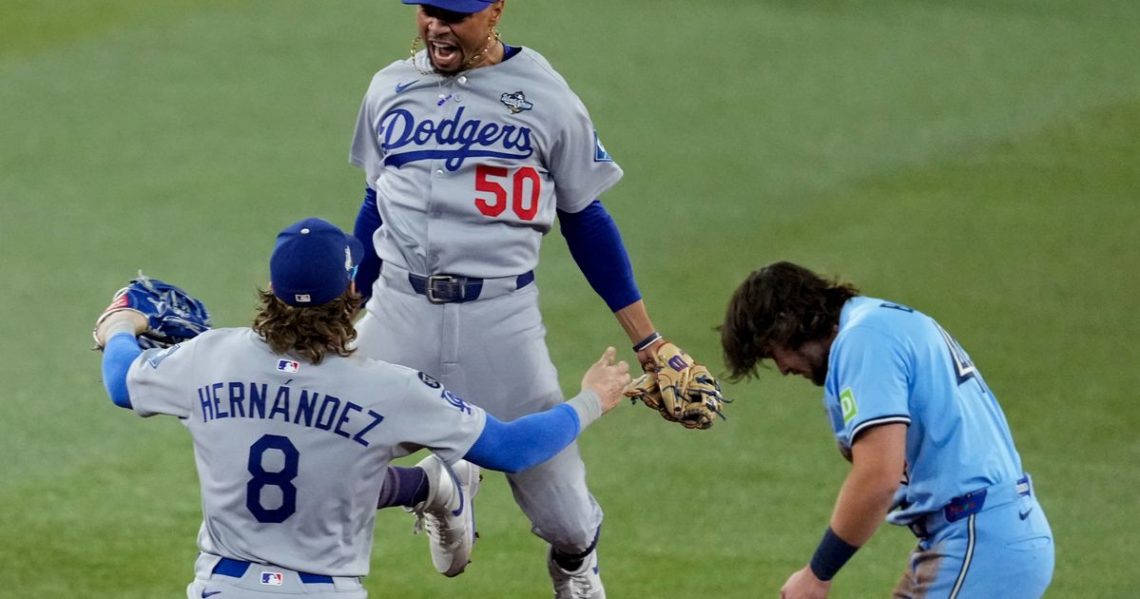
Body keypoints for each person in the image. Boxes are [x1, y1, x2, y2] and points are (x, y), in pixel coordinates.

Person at [345, 1, 714, 596]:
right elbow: (374, 207)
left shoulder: (545, 96)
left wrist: (648, 339)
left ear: (495, 12)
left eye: (455, 14)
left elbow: (586, 218)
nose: (437, 25)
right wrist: (338, 314)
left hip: (501, 322)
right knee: (321, 451)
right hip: (397, 312)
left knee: (566, 519)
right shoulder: (388, 88)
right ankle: (439, 487)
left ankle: (575, 566)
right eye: (428, 10)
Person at [92, 217, 630, 599]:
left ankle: (429, 488)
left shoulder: (209, 357)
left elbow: (121, 380)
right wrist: (592, 399)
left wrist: (119, 322)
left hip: (220, 585)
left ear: (271, 290)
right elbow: (512, 450)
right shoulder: (391, 389)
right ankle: (430, 487)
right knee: (337, 457)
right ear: (352, 288)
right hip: (327, 590)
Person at [720, 261, 1054, 599]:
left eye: (771, 352)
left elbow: (879, 476)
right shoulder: (879, 322)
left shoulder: (863, 341)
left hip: (979, 539)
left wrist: (817, 574)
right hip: (988, 532)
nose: (782, 368)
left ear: (786, 323)